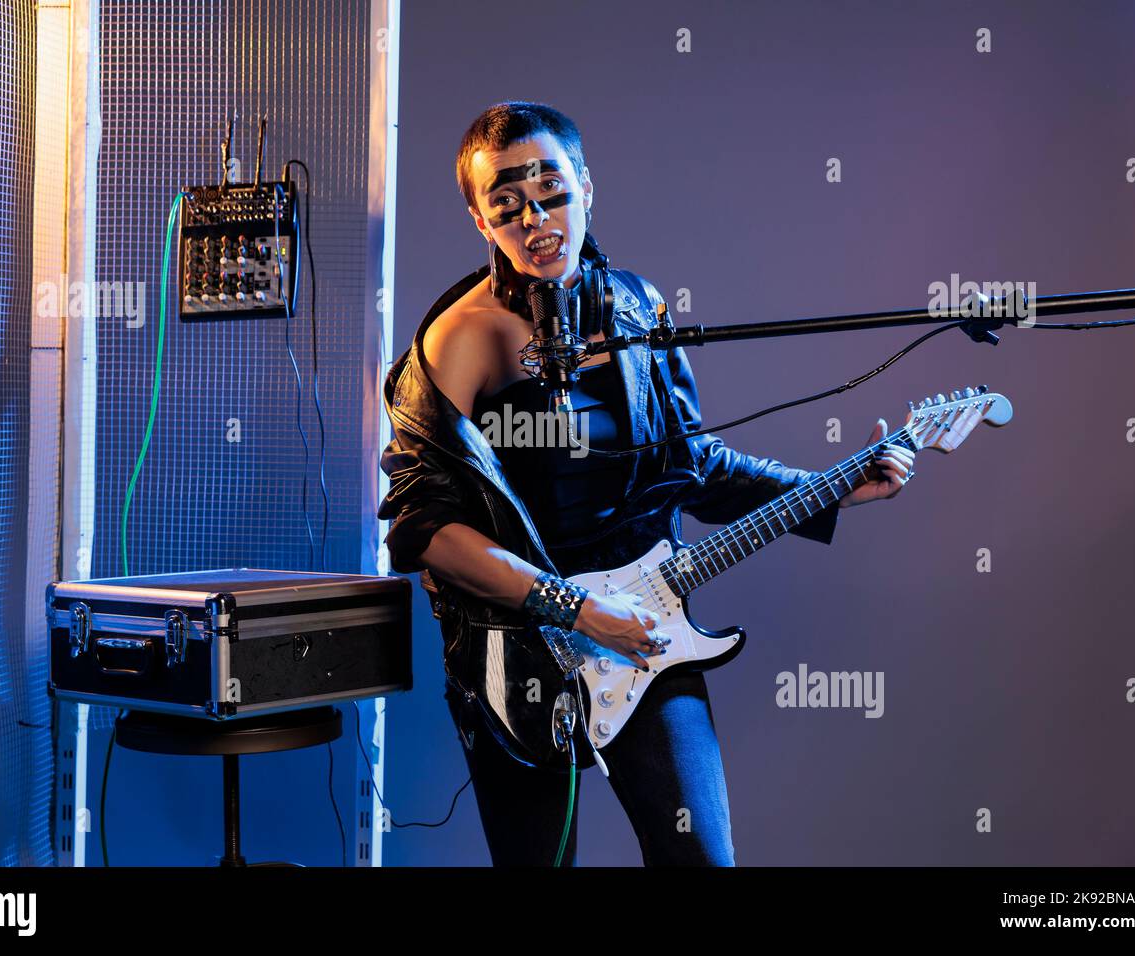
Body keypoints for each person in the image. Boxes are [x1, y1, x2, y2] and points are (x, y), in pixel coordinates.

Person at [378, 102, 915, 866]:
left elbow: (696, 468)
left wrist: (832, 488)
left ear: (586, 188)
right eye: (507, 205)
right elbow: (422, 529)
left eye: (553, 193)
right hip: (520, 652)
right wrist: (575, 608)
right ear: (479, 218)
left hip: (648, 634)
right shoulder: (459, 338)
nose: (536, 220)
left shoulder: (639, 307)